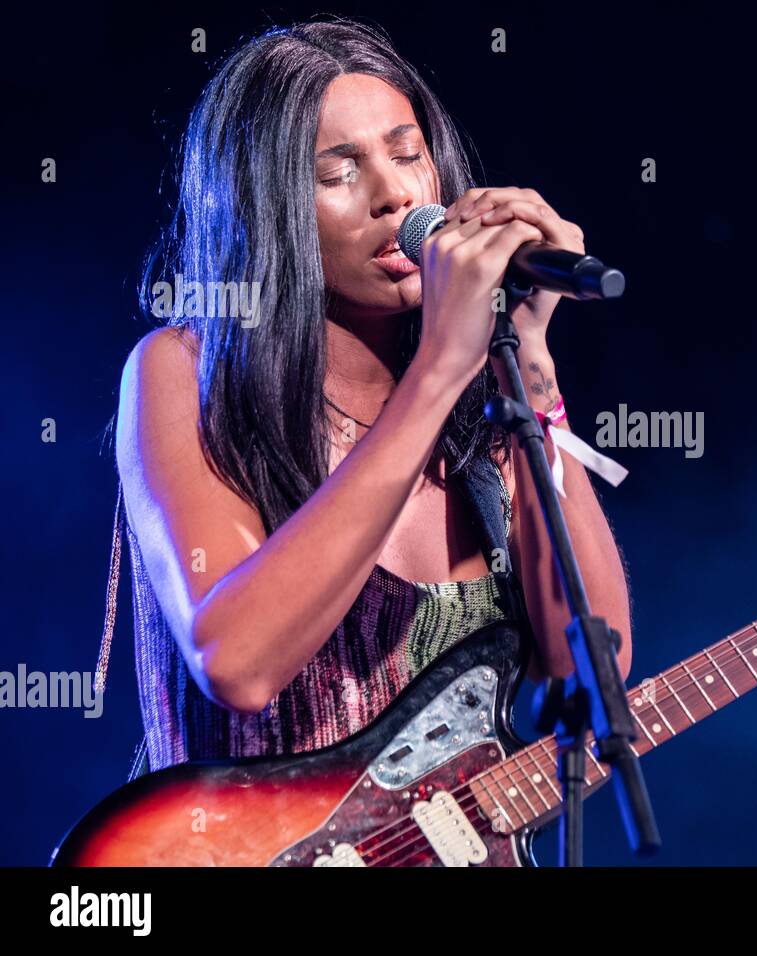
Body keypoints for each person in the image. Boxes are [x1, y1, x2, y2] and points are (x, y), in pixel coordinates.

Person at [100, 18, 632, 777]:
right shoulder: (184, 371)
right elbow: (238, 660)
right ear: (267, 206)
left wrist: (532, 362)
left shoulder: (487, 406)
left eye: (409, 154)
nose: (394, 193)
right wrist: (443, 367)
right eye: (340, 172)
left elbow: (592, 666)